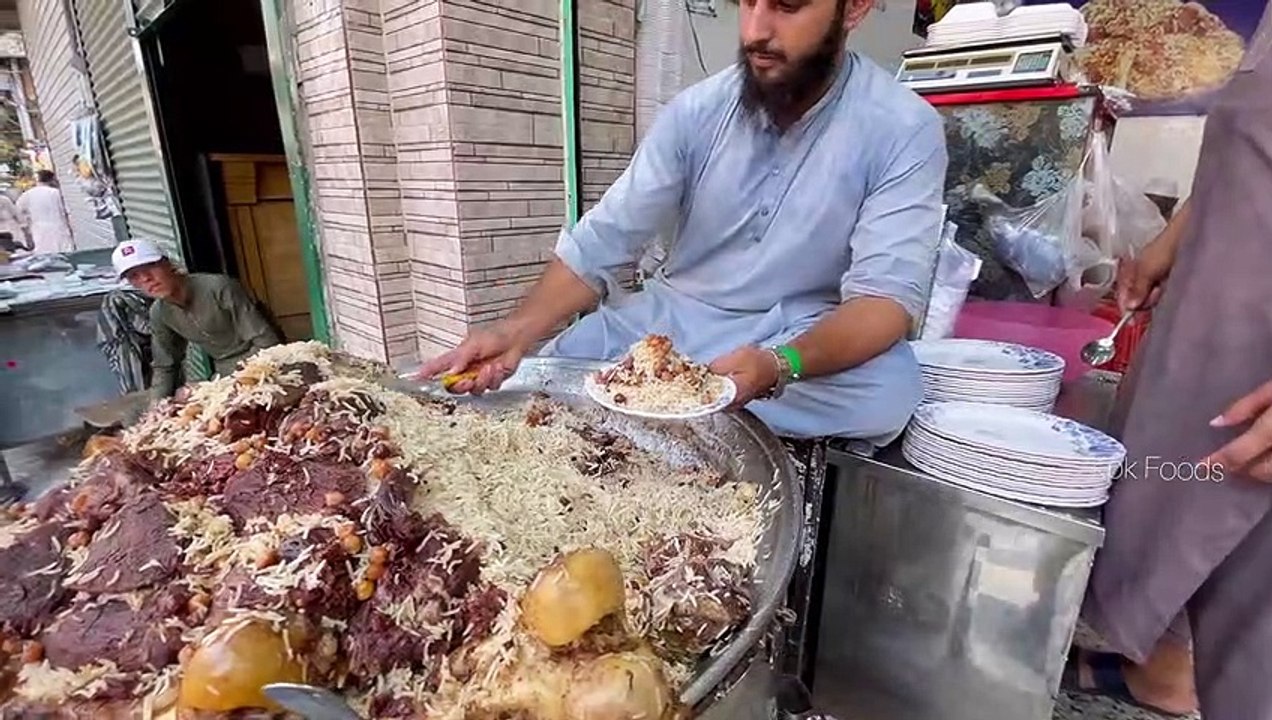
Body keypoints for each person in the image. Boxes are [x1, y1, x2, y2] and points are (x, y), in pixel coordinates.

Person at [421, 0, 947, 445]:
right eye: (747, 1)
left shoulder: (903, 127)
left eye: (787, 5)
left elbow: (885, 302)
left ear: (854, 6)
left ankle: (666, 405)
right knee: (556, 363)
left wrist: (779, 365)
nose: (755, 31)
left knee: (888, 390)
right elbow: (604, 241)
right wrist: (515, 331)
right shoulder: (695, 112)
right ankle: (679, 401)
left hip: (795, 330)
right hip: (673, 321)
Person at [1066, 7, 1272, 718]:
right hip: (1221, 298)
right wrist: (1169, 247)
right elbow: (1248, 145)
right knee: (1168, 487)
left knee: (1249, 610)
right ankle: (1162, 663)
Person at [110, 238, 281, 402]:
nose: (146, 279)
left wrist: (230, 382)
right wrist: (156, 406)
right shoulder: (160, 312)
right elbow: (165, 365)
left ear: (168, 264)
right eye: (134, 276)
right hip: (224, 374)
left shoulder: (219, 287)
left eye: (150, 267)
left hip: (266, 365)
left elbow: (267, 342)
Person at [17, 170, 75, 255]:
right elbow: (67, 212)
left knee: (44, 255)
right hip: (59, 228)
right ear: (52, 179)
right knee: (64, 254)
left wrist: (27, 226)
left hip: (39, 230)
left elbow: (18, 211)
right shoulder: (57, 193)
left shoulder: (27, 195)